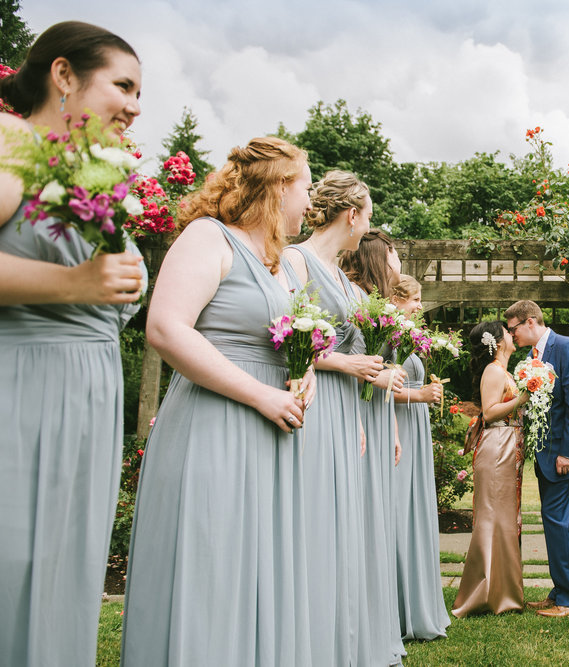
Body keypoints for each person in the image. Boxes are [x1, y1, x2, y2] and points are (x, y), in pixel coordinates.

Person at [120, 136, 315, 666]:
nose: (310, 202)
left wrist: (306, 371)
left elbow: (291, 336)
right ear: (277, 187)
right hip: (216, 421)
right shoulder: (209, 238)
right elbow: (165, 328)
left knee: (258, 563)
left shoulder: (279, 262)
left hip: (271, 425)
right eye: (305, 188)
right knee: (212, 559)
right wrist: (259, 395)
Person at [0, 21, 146, 667]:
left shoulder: (85, 174)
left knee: (61, 569)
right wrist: (73, 281)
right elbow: (78, 283)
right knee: (16, 557)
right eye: (123, 85)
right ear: (63, 75)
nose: (136, 105)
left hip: (87, 394)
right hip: (25, 387)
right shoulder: (11, 146)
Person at [282, 170, 383, 664]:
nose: (368, 228)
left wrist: (361, 420)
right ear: (353, 215)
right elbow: (286, 339)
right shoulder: (295, 261)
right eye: (368, 218)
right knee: (314, 515)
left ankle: (337, 637)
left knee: (343, 519)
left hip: (346, 410)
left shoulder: (344, 277)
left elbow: (353, 350)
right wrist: (345, 363)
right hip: (314, 402)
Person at [504, 299, 569, 618]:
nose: (512, 335)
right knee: (559, 523)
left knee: (558, 522)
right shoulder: (533, 356)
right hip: (547, 452)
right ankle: (562, 589)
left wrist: (567, 452)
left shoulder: (566, 347)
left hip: (563, 452)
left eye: (514, 329)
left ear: (530, 321)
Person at [340, 229, 408, 665]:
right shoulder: (355, 298)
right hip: (349, 409)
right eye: (395, 253)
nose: (399, 259)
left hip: (368, 413)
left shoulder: (378, 303)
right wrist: (377, 380)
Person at [452, 320, 530, 617]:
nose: (513, 334)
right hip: (497, 446)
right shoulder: (493, 371)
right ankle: (481, 592)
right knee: (492, 516)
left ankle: (503, 590)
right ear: (497, 343)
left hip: (509, 447)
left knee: (506, 518)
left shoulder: (504, 371)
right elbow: (489, 411)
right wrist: (522, 398)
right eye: (508, 332)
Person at [390, 274, 451, 640]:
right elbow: (379, 386)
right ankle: (399, 605)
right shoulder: (388, 336)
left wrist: (426, 394)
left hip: (414, 424)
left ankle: (415, 599)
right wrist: (421, 395)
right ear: (397, 298)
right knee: (399, 508)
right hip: (399, 423)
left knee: (413, 508)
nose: (419, 306)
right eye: (415, 299)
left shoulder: (404, 337)